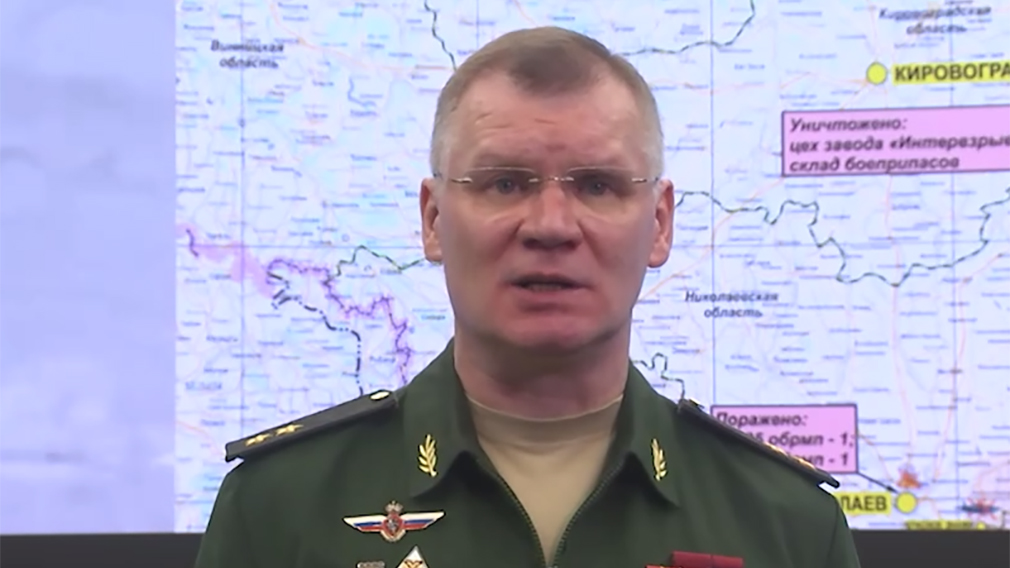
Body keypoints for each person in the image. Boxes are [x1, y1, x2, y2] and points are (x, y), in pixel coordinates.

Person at [194, 26, 862, 568]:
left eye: (597, 186)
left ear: (659, 224)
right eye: (505, 184)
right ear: (433, 220)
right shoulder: (279, 507)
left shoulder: (786, 524)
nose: (550, 226)